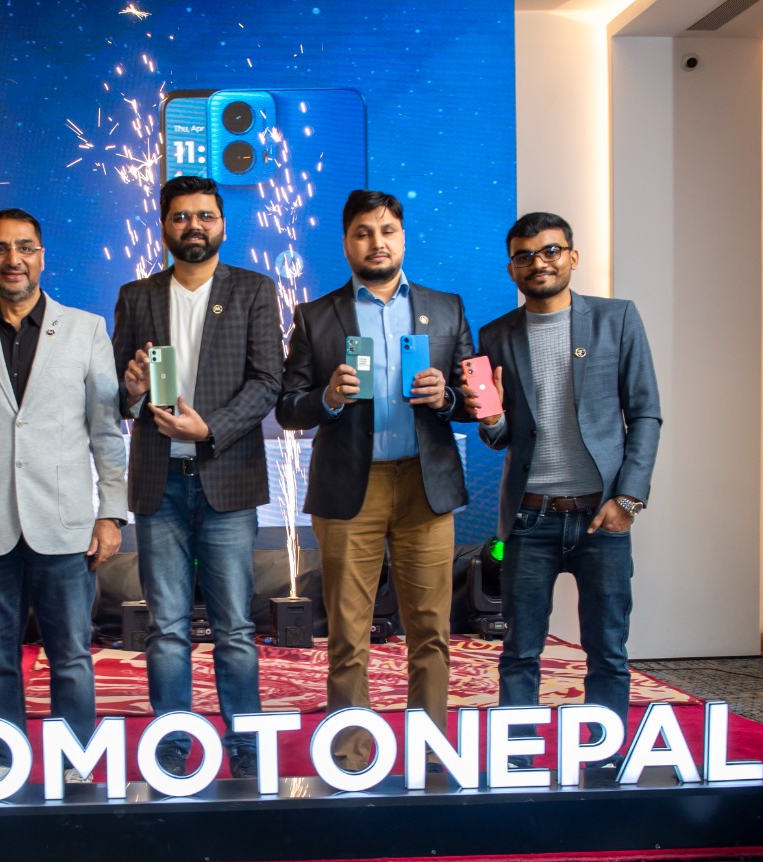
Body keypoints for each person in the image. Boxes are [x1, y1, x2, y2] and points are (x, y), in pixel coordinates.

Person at [0, 209, 127, 783]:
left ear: (41, 255)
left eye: (24, 247)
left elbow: (105, 430)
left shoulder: (86, 328)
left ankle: (76, 762)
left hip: (64, 522)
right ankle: (3, 761)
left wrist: (112, 512)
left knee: (71, 655)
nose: (12, 259)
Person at [277, 190, 472, 771]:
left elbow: (475, 398)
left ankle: (429, 752)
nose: (377, 242)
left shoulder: (446, 308)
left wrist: (447, 397)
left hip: (424, 487)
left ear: (403, 237)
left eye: (387, 230)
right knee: (348, 631)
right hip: (349, 489)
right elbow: (288, 407)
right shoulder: (315, 316)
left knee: (431, 630)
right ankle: (351, 756)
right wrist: (328, 398)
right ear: (346, 243)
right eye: (363, 232)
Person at [464, 211, 661, 774]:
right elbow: (499, 437)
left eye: (551, 251)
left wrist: (629, 500)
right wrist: (491, 417)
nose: (539, 263)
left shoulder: (617, 319)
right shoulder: (494, 336)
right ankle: (518, 761)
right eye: (525, 255)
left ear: (572, 256)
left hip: (602, 517)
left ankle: (604, 759)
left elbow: (646, 413)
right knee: (520, 651)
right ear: (512, 268)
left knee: (608, 651)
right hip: (529, 521)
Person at [112, 176, 283, 779]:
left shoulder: (253, 290)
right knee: (166, 629)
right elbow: (118, 392)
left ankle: (247, 749)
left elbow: (268, 380)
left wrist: (210, 428)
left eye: (205, 216)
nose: (194, 226)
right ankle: (172, 747)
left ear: (223, 225)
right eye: (181, 216)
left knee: (235, 627)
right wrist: (132, 391)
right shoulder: (136, 296)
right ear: (163, 226)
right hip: (158, 483)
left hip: (226, 478)